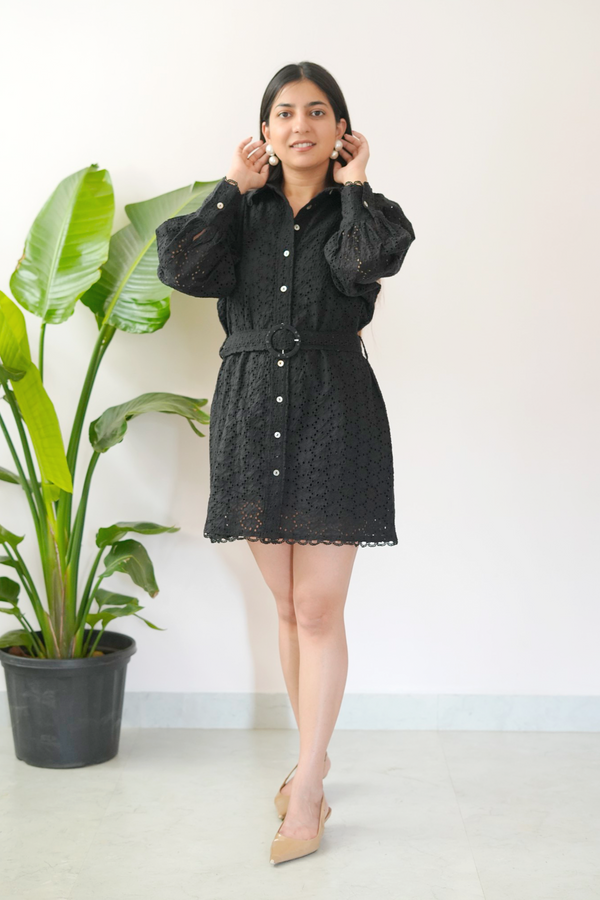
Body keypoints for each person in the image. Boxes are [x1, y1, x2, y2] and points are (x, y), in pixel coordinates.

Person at [155, 61, 416, 865]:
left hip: (335, 412)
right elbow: (181, 268)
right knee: (286, 606)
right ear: (265, 130)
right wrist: (231, 188)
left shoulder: (369, 215)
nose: (300, 124)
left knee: (318, 607)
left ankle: (306, 787)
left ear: (341, 129)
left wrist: (357, 184)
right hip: (249, 415)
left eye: (318, 111)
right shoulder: (239, 212)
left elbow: (366, 266)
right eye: (285, 113)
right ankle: (313, 759)